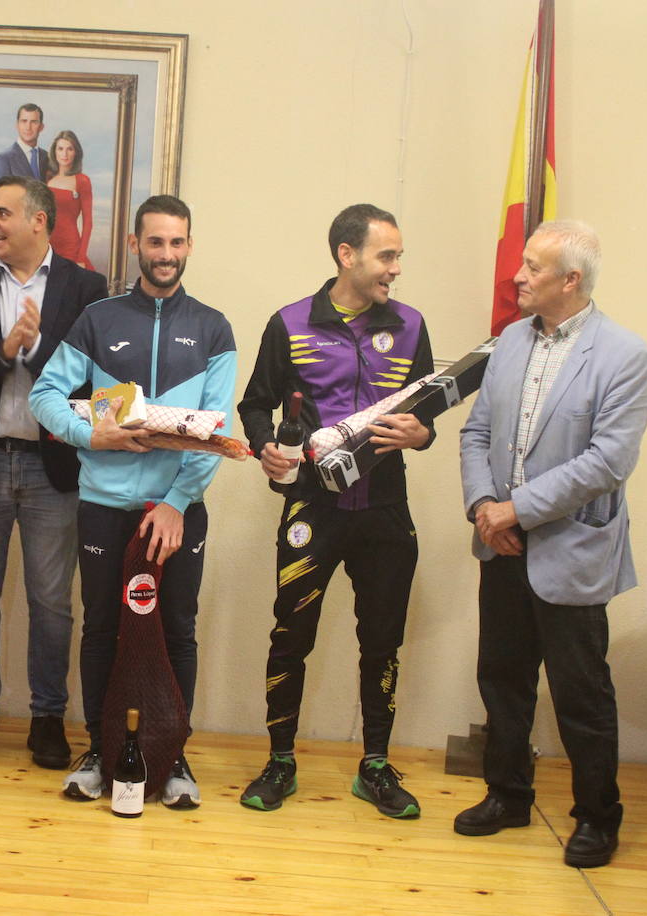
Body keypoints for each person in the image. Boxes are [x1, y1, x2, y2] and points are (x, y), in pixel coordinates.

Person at [456, 220, 647, 869]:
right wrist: (487, 508)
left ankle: (598, 816)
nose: (519, 277)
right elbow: (476, 434)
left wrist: (518, 509)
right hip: (502, 546)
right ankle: (507, 795)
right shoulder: (510, 341)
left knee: (581, 694)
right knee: (503, 680)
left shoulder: (627, 357)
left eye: (534, 268)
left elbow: (606, 462)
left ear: (571, 279)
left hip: (570, 552)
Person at [30, 194, 236, 808]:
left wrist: (176, 502)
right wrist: (90, 433)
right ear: (134, 244)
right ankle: (100, 748)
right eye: (155, 242)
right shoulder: (99, 318)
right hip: (103, 506)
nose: (166, 254)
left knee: (176, 630)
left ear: (190, 245)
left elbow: (213, 428)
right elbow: (45, 395)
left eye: (177, 243)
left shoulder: (213, 326)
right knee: (102, 627)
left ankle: (173, 758)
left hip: (176, 512)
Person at [236, 203, 434, 818]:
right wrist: (266, 449)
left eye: (398, 256)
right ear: (347, 256)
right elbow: (255, 405)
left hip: (384, 510)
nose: (396, 269)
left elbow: (427, 416)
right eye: (387, 256)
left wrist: (419, 437)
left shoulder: (410, 325)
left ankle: (375, 766)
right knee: (290, 635)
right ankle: (280, 761)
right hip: (312, 509)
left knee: (383, 642)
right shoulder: (290, 323)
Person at [0, 176, 108, 770]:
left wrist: (35, 350)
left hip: (53, 468)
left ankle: (48, 719)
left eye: (2, 213)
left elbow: (96, 380)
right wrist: (2, 352)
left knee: (52, 603)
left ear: (39, 221)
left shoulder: (87, 288)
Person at [45, 130, 95, 270]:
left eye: (69, 149)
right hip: (46, 245)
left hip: (70, 247)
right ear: (54, 152)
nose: (64, 154)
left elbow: (88, 222)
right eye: (60, 149)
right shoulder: (48, 178)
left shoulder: (82, 181)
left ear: (76, 152)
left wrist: (80, 257)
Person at [0, 103, 49, 200]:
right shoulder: (3, 159)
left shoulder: (48, 158)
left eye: (34, 122)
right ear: (17, 125)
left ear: (41, 127)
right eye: (24, 121)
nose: (28, 127)